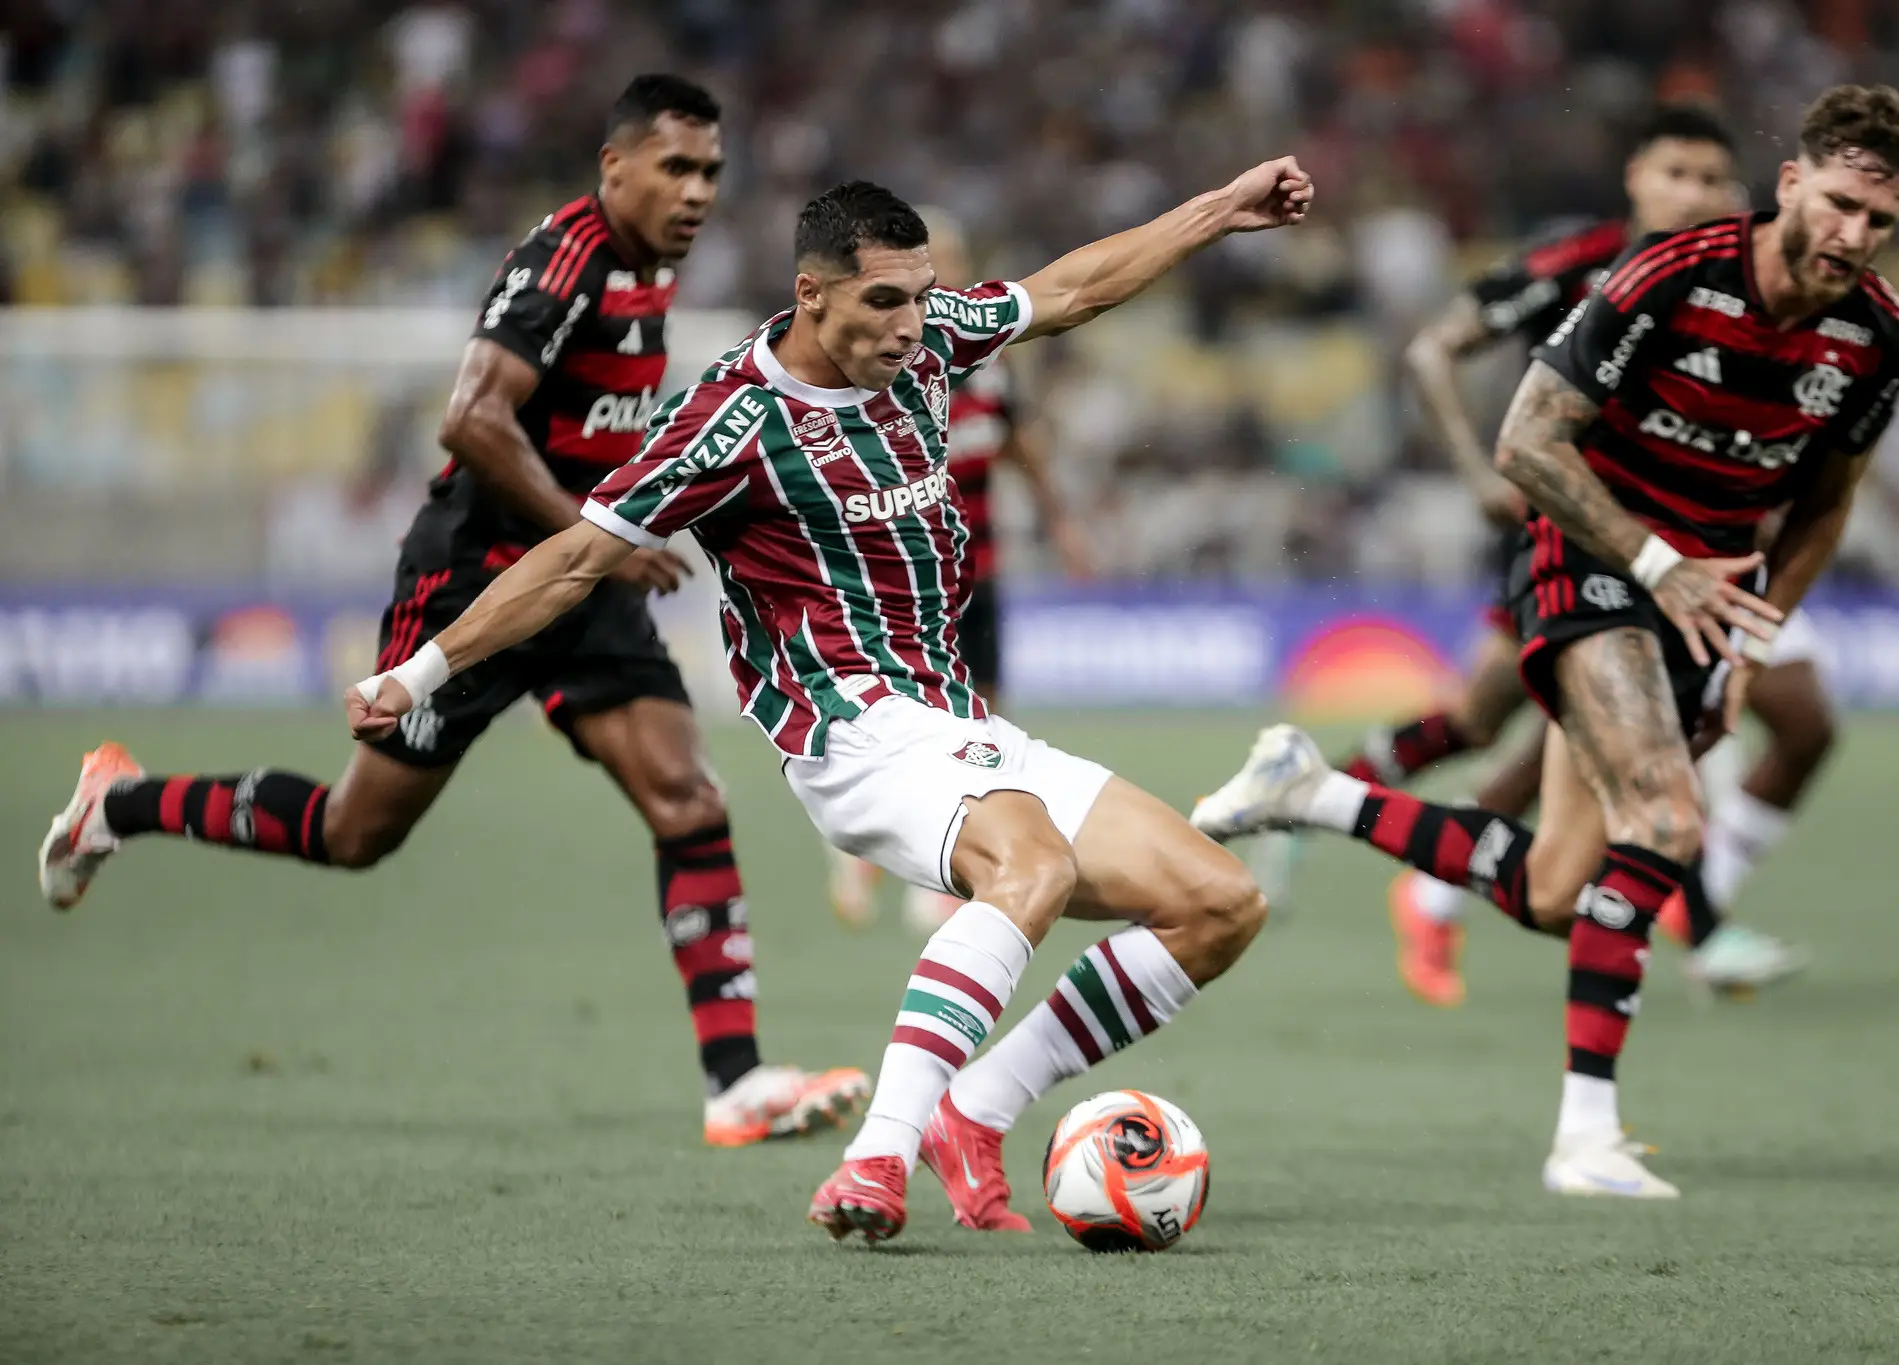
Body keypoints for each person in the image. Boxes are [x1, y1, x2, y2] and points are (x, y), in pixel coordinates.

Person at [342, 165, 1315, 1242]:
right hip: (848, 730)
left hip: (956, 721)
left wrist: (1221, 209)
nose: (911, 325)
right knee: (1026, 862)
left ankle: (974, 1114)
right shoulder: (731, 423)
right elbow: (573, 559)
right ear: (812, 294)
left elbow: (1075, 285)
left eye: (920, 295)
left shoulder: (932, 335)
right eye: (883, 303)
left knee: (1217, 903)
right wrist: (416, 672)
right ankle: (875, 1159)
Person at [38, 74, 868, 1150]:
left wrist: (606, 539)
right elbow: (473, 419)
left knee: (687, 797)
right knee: (354, 834)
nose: (698, 188)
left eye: (711, 168)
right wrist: (596, 534)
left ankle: (736, 1082)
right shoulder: (564, 260)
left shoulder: (652, 264)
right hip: (475, 580)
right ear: (613, 166)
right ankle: (124, 804)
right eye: (675, 166)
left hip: (578, 581)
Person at [1197, 85, 1899, 1198]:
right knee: (1664, 818)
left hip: (1703, 596)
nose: (1850, 235)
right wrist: (1650, 562)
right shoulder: (1665, 273)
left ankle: (1314, 795)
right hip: (1591, 559)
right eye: (1835, 204)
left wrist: (1744, 638)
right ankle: (1583, 1138)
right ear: (1790, 185)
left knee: (1554, 893)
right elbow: (1527, 440)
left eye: (1877, 222)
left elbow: (1823, 503)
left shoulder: (1876, 338)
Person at [1311, 105, 1814, 1006]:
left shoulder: (1749, 284)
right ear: (1635, 176)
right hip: (1578, 538)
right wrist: (1475, 469)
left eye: (1711, 180)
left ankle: (1685, 919)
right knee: (1507, 723)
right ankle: (1345, 814)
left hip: (1703, 550)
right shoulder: (1581, 266)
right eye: (1677, 174)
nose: (1694, 194)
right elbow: (1434, 349)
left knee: (1595, 733)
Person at [823, 207, 1096, 935]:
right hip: (912, 582)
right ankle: (882, 856)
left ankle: (941, 858)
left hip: (985, 565)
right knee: (917, 717)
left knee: (986, 712)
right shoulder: (885, 370)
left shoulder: (989, 367)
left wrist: (1062, 522)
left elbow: (1023, 449)